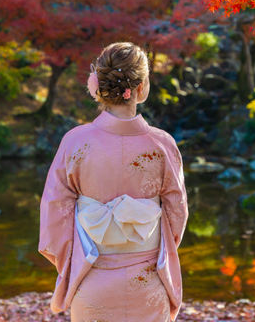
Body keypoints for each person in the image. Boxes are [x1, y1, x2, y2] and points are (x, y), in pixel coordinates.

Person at [39, 42, 189, 322]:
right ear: (142, 87)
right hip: (148, 283)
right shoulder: (162, 144)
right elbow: (177, 212)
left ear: (97, 87)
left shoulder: (75, 141)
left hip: (92, 279)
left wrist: (75, 260)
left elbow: (53, 212)